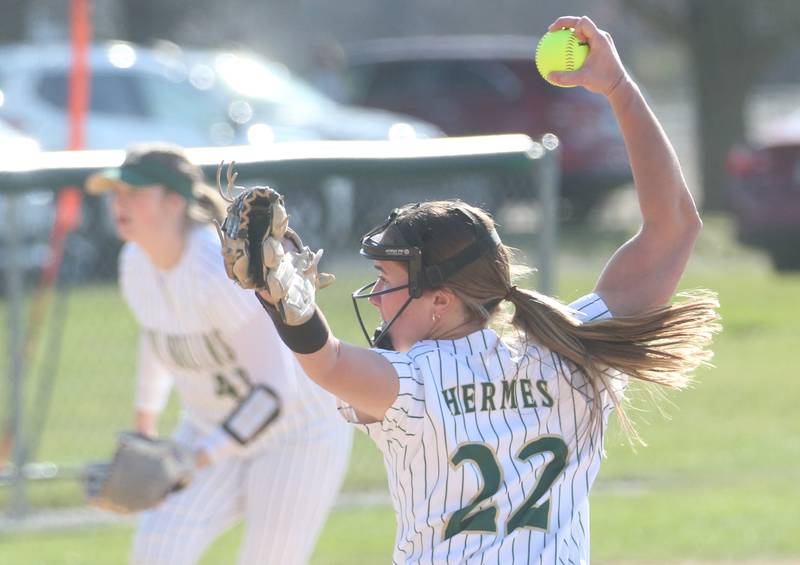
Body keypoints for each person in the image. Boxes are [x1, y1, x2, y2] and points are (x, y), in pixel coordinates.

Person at [236, 15, 720, 563]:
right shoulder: (574, 348)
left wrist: (285, 299)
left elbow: (325, 362)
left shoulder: (416, 382)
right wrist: (618, 88)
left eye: (387, 281)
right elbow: (675, 225)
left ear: (441, 301)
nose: (373, 296)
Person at [85, 144, 352, 565]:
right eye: (116, 192)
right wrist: (145, 425)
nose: (120, 202)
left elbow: (275, 390)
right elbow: (158, 336)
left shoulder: (215, 268)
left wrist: (195, 458)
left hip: (297, 431)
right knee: (158, 548)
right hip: (209, 426)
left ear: (175, 201)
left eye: (134, 192)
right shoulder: (134, 262)